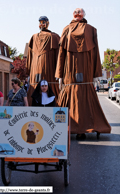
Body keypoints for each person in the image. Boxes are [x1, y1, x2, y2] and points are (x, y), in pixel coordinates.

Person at [55, 8, 111, 139]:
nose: (78, 14)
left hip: (86, 72)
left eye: (80, 12)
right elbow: (61, 54)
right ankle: (66, 127)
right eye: (76, 12)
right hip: (69, 72)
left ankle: (84, 127)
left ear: (84, 15)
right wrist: (60, 75)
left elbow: (96, 52)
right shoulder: (66, 29)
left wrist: (97, 73)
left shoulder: (91, 29)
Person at [26, 16, 60, 105]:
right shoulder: (34, 37)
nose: (42, 24)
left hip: (49, 70)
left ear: (47, 23)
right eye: (40, 22)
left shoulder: (54, 37)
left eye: (43, 22)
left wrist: (59, 72)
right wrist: (29, 71)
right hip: (35, 71)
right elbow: (29, 56)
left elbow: (59, 56)